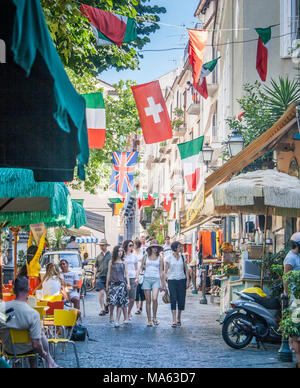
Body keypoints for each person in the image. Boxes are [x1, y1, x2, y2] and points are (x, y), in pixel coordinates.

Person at [0, 277, 59, 368]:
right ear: (29, 289)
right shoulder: (33, 314)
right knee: (37, 338)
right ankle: (49, 361)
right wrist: (44, 354)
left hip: (7, 348)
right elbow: (36, 345)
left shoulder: (1, 307)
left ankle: (49, 360)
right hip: (26, 349)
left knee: (35, 336)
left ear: (13, 290)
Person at [139, 241, 165, 327]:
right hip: (146, 279)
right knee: (148, 300)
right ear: (150, 248)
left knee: (154, 298)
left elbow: (161, 271)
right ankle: (149, 320)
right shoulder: (145, 256)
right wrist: (143, 268)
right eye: (153, 247)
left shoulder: (160, 258)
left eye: (157, 247)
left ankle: (154, 317)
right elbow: (141, 267)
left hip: (156, 279)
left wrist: (163, 283)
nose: (155, 248)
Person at [164, 241, 190, 328]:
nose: (181, 248)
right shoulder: (168, 258)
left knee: (181, 299)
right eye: (179, 247)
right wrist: (164, 283)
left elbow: (186, 269)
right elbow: (165, 271)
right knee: (173, 298)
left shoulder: (183, 257)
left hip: (182, 280)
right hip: (172, 280)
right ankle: (174, 319)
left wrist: (187, 280)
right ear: (175, 248)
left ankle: (179, 317)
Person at [106, 246, 130, 327]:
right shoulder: (111, 262)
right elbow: (108, 274)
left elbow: (127, 273)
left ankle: (117, 320)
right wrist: (107, 285)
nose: (120, 252)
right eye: (119, 251)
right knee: (112, 301)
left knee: (120, 303)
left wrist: (128, 283)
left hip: (121, 284)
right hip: (113, 284)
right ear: (116, 252)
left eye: (121, 251)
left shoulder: (124, 262)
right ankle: (111, 314)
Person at [94, 239, 111, 316]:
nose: (101, 246)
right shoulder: (98, 256)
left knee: (108, 292)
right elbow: (96, 267)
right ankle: (102, 309)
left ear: (106, 246)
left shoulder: (110, 255)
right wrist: (94, 278)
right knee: (101, 292)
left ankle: (106, 305)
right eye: (100, 245)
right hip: (100, 276)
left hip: (109, 276)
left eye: (103, 245)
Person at [122, 240, 139, 320]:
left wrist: (137, 278)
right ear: (126, 246)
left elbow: (136, 268)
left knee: (132, 298)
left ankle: (129, 312)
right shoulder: (122, 255)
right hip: (123, 278)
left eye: (132, 245)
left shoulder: (134, 256)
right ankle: (125, 315)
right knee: (124, 297)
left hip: (132, 278)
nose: (132, 247)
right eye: (130, 245)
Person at [134, 239, 146, 315]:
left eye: (134, 244)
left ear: (137, 245)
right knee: (136, 291)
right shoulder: (132, 253)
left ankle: (141, 306)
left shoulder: (143, 252)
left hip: (142, 273)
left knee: (142, 291)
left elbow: (145, 262)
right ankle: (137, 308)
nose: (132, 246)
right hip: (134, 272)